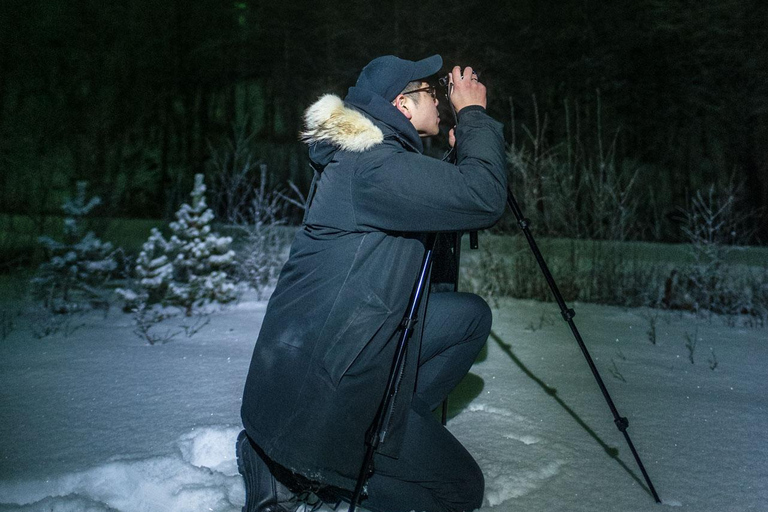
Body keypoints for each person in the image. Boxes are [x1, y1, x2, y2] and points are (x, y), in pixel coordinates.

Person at [238, 54, 507, 512]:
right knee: (459, 492)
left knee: (468, 318)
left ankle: (388, 427)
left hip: (327, 357)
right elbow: (483, 197)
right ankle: (306, 472)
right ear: (402, 104)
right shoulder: (375, 167)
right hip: (321, 394)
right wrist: (474, 115)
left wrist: (461, 159)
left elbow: (433, 245)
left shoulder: (375, 160)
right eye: (432, 92)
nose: (441, 100)